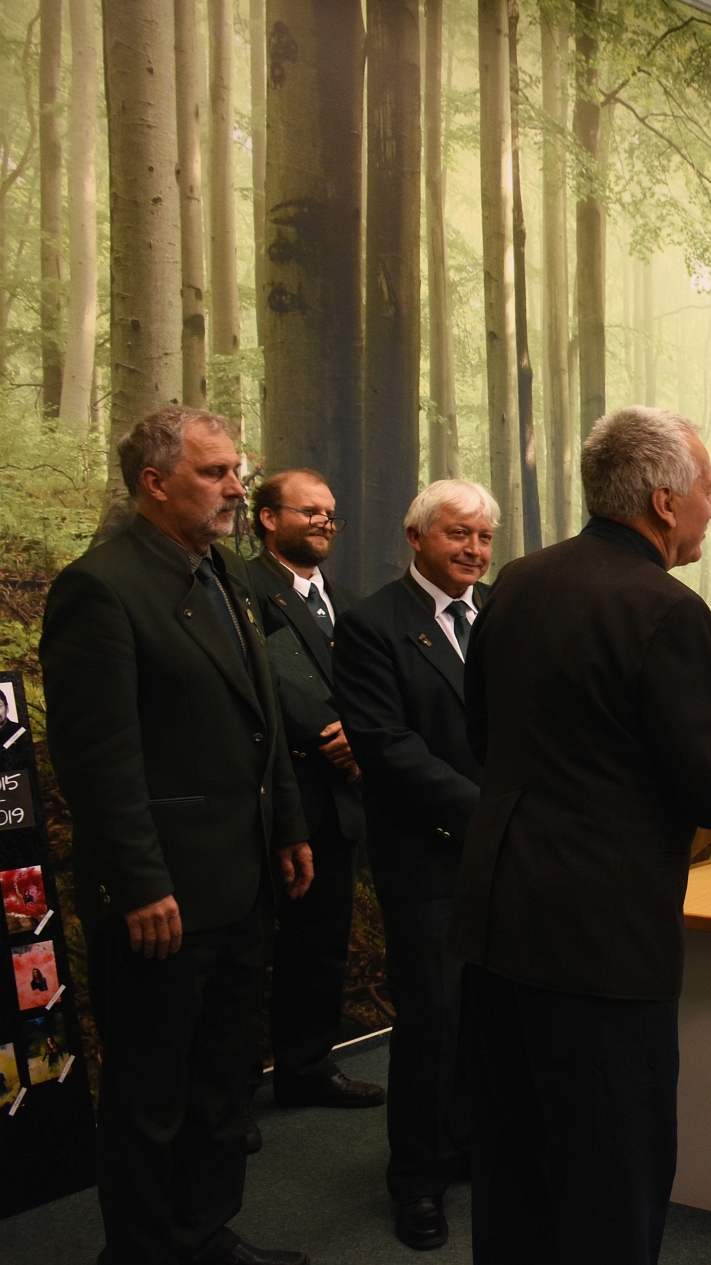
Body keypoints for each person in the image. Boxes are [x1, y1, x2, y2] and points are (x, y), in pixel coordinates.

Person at [451, 407, 711, 1263]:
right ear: (664, 501)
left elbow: (484, 738)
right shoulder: (665, 609)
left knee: (514, 1170)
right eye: (709, 490)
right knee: (612, 1179)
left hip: (498, 924)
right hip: (602, 946)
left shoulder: (517, 583)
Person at [41, 406, 314, 1265]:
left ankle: (203, 1233)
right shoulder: (100, 588)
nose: (236, 487)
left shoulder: (224, 572)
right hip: (161, 897)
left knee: (222, 1081)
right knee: (150, 1094)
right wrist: (139, 883)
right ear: (155, 483)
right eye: (215, 472)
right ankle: (142, 1251)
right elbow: (98, 762)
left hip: (242, 876)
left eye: (237, 470)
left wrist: (288, 824)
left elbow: (260, 715)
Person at [334, 479, 499, 1251]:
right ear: (416, 537)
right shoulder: (373, 624)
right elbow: (385, 746)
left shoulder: (500, 611)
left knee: (491, 1014)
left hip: (507, 855)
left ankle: (472, 1145)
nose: (474, 550)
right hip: (428, 856)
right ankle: (418, 1181)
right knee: (433, 1019)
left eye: (484, 537)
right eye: (458, 534)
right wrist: (490, 813)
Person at [243, 470, 385, 1114]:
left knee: (320, 947)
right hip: (273, 797)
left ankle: (307, 1069)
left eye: (330, 514)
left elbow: (376, 683)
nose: (325, 522)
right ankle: (233, 1097)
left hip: (340, 799)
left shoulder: (349, 603)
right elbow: (262, 680)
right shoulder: (241, 591)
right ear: (269, 518)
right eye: (310, 512)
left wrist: (360, 734)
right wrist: (327, 731)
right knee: (248, 955)